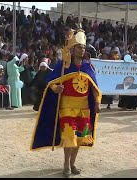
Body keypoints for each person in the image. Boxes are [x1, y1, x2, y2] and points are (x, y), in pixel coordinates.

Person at [30, 28, 101, 178]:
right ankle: (66, 165)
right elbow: (50, 82)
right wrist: (56, 88)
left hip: (84, 109)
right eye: (78, 47)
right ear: (72, 49)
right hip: (67, 107)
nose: (81, 50)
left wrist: (97, 102)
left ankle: (73, 163)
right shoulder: (63, 66)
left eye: (83, 47)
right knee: (69, 137)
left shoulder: (89, 67)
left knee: (80, 138)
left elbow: (94, 87)